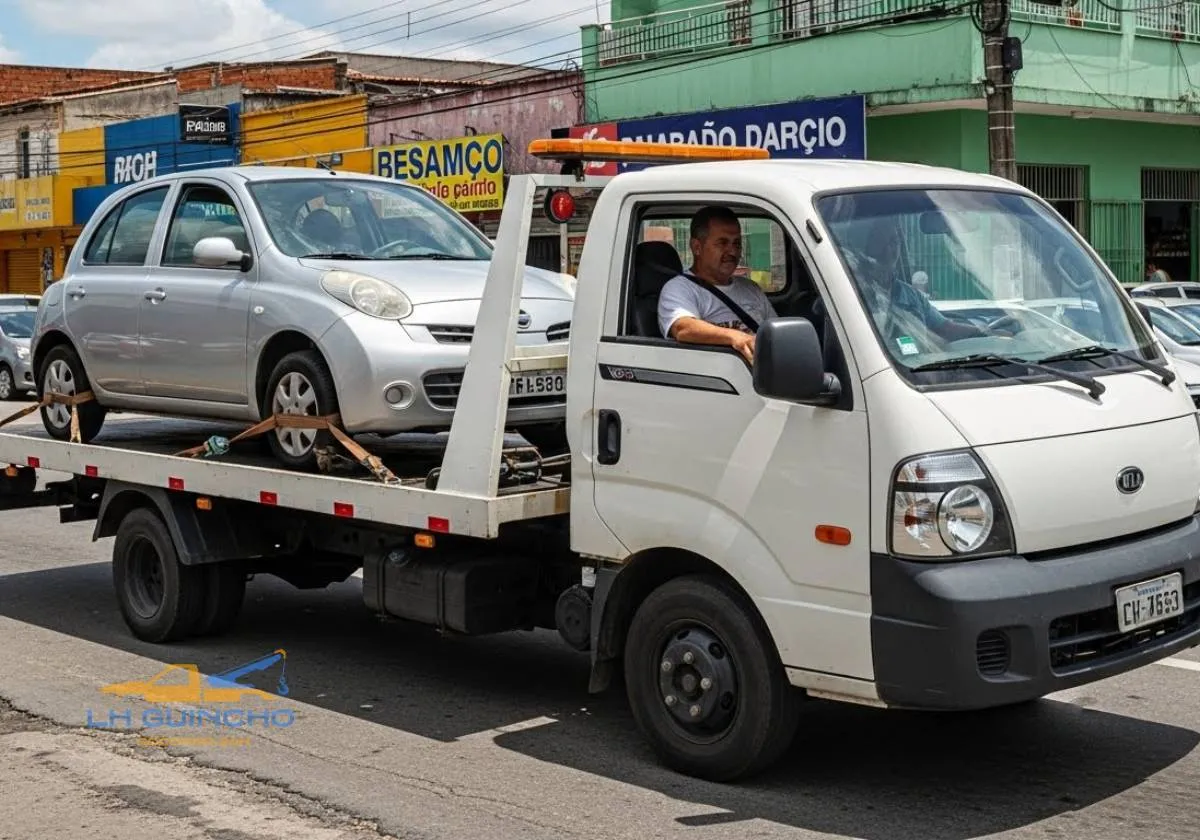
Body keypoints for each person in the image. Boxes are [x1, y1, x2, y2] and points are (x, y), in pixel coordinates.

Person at [657, 206, 778, 363]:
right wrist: (736, 337)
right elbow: (683, 328)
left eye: (737, 244)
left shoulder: (751, 288)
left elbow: (777, 333)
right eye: (722, 243)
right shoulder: (679, 288)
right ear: (697, 247)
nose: (732, 251)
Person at [855, 219, 987, 345]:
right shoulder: (853, 293)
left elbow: (946, 329)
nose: (889, 249)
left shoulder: (911, 296)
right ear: (866, 246)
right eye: (881, 241)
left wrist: (986, 333)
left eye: (894, 241)